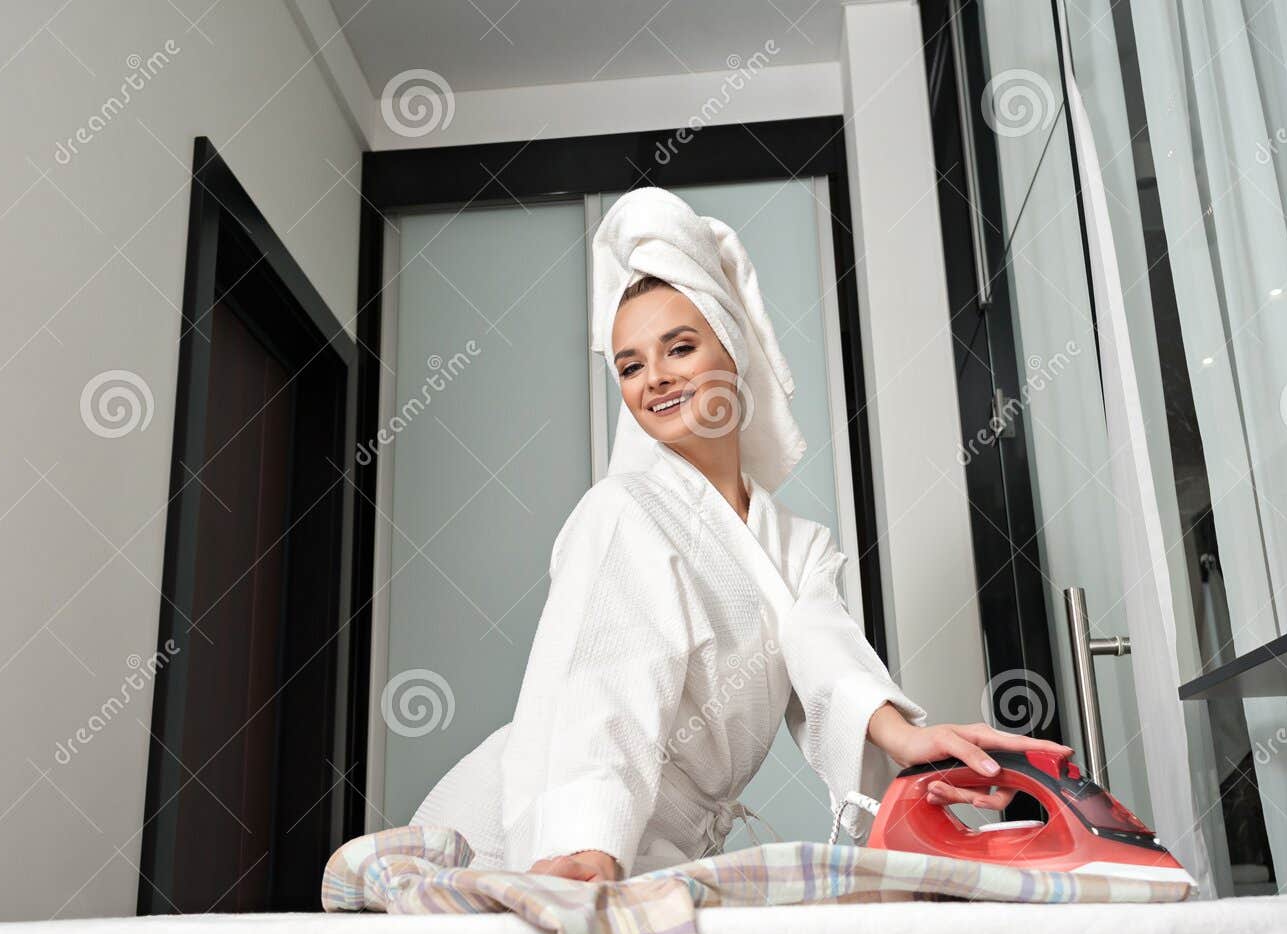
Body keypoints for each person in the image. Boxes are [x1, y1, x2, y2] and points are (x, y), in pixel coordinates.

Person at [410, 187, 1071, 883]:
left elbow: (821, 643)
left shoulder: (798, 544)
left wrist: (904, 736)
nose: (654, 378)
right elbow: (608, 676)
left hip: (645, 846)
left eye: (680, 347)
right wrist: (588, 836)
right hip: (539, 825)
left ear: (732, 350)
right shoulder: (622, 509)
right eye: (630, 364)